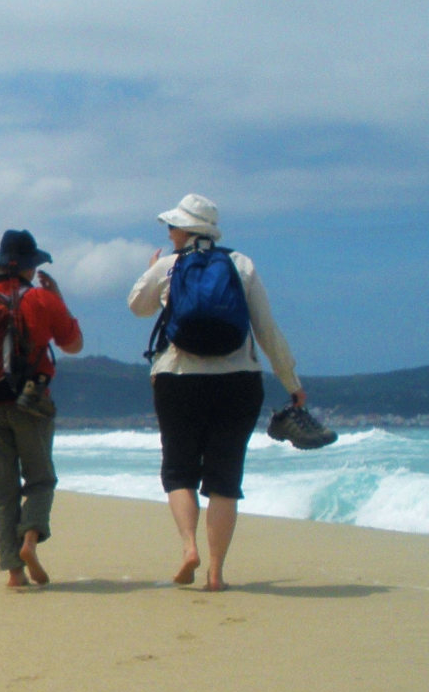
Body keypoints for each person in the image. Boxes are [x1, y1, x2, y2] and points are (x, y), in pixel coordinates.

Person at [128, 194, 307, 591]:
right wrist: (291, 382)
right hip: (238, 382)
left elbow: (136, 307)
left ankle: (189, 548)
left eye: (172, 226)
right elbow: (266, 330)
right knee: (225, 477)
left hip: (177, 378)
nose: (169, 232)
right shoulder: (241, 264)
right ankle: (216, 574)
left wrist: (152, 273)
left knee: (179, 469)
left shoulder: (168, 266)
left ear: (185, 230)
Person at [0, 230, 83, 588]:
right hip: (30, 399)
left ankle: (14, 571)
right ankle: (30, 538)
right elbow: (73, 345)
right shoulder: (41, 300)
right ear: (31, 267)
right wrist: (59, 300)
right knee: (41, 478)